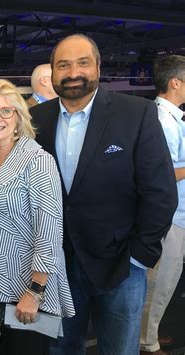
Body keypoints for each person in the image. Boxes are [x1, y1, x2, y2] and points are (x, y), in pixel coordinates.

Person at [29, 34, 178, 355]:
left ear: (98, 66)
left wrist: (140, 256)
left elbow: (161, 191)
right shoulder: (36, 121)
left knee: (120, 350)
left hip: (121, 266)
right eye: (63, 65)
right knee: (61, 349)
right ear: (52, 72)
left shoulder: (135, 114)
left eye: (83, 63)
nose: (73, 72)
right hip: (56, 268)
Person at [0, 78, 75, 354]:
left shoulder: (37, 161)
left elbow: (49, 231)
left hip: (26, 288)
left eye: (6, 111)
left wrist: (35, 291)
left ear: (18, 116)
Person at [140, 55, 185, 355]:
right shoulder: (161, 120)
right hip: (169, 217)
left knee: (166, 281)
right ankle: (146, 342)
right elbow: (162, 173)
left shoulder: (170, 117)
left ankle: (149, 333)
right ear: (175, 83)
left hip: (176, 215)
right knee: (159, 282)